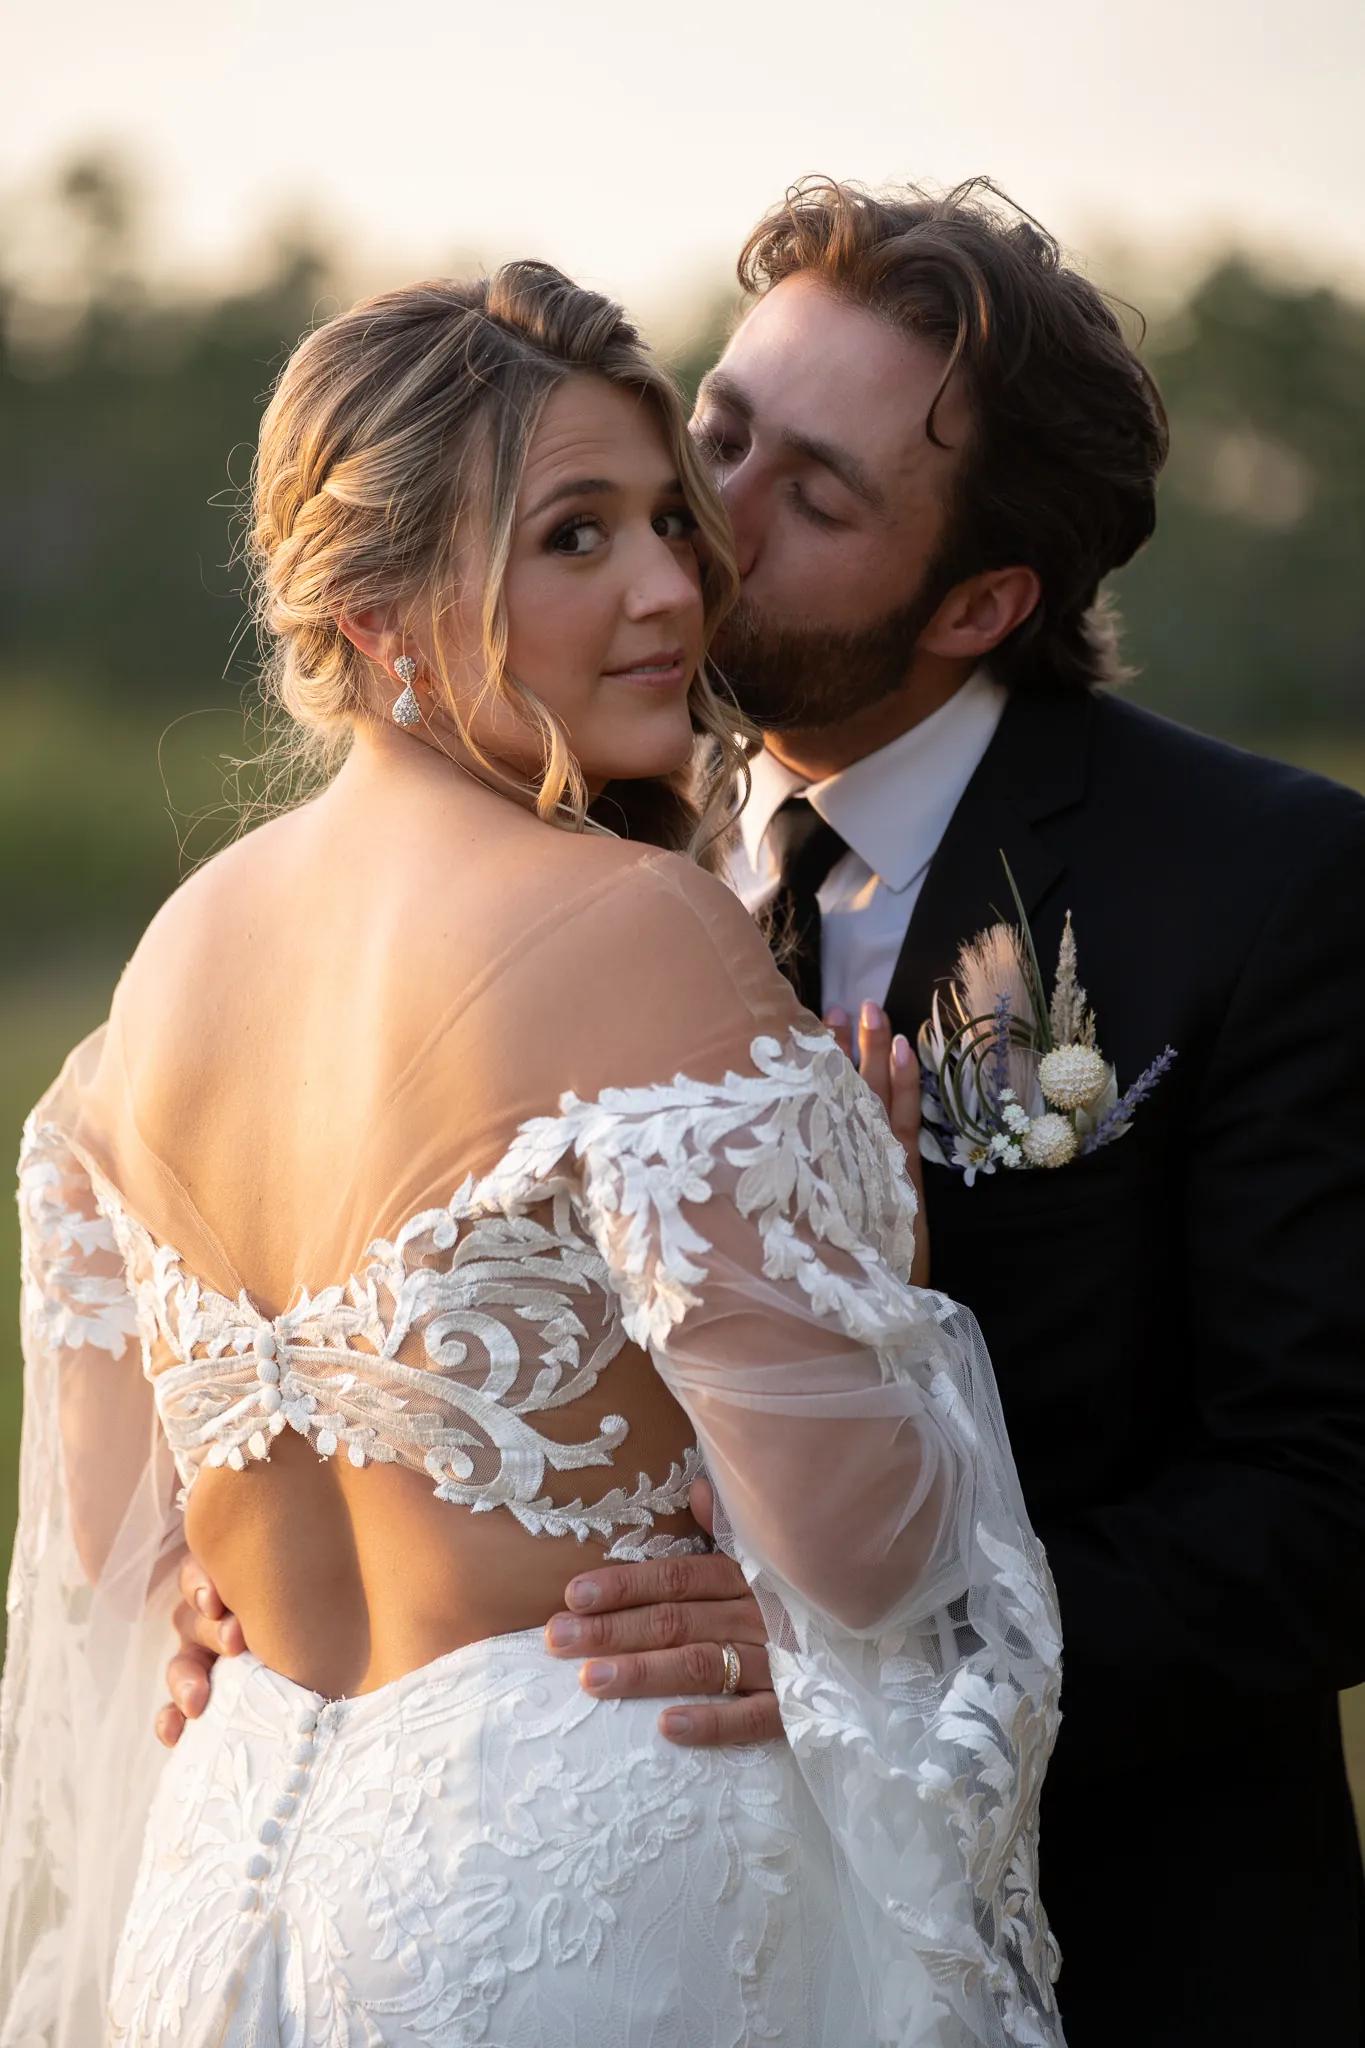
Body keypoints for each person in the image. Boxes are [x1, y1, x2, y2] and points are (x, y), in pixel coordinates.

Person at [160, 176, 1365, 2040]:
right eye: (715, 432)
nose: (701, 527)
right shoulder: (559, 838)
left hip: (1120, 1944)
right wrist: (241, 1575)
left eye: (813, 496)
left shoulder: (1258, 886)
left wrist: (870, 1657)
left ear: (979, 599)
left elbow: (1328, 1503)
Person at [0, 261, 1063, 2045]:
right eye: (576, 538)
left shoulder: (158, 976)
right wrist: (876, 1251)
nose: (673, 589)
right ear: (377, 608)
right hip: (562, 1908)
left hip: (211, 1906)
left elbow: (116, 1566)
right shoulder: (645, 932)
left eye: (667, 516)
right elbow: (871, 1557)